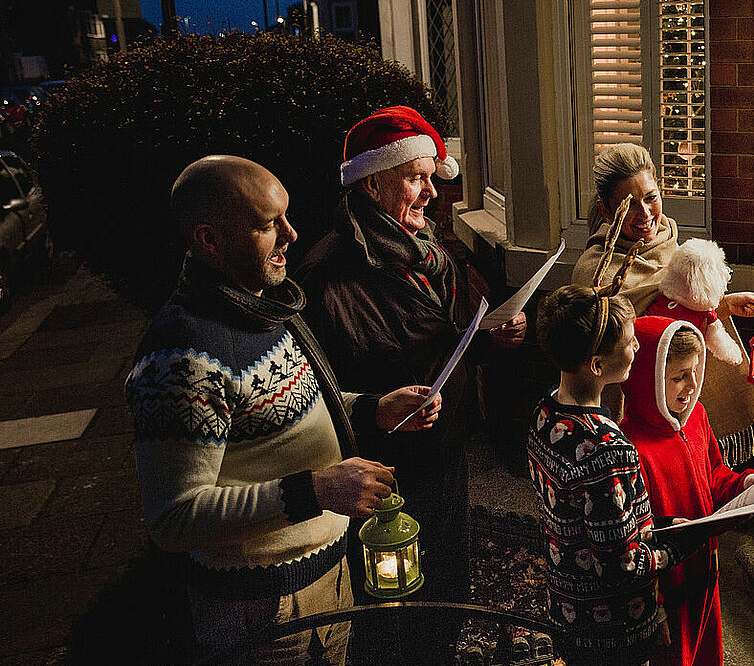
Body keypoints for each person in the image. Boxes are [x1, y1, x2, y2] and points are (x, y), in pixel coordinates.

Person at [125, 155, 441, 663]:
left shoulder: (261, 307)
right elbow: (174, 518)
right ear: (209, 240)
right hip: (261, 611)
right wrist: (316, 489)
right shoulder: (182, 357)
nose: (291, 234)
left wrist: (373, 409)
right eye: (268, 224)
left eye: (286, 217)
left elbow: (284, 409)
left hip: (327, 575)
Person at [296, 105, 526, 659]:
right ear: (372, 183)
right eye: (415, 179)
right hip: (386, 473)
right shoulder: (327, 276)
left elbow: (443, 340)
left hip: (444, 451)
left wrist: (490, 340)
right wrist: (377, 407)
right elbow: (312, 392)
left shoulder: (430, 254)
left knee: (446, 585)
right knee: (396, 610)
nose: (431, 193)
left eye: (431, 178)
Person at [570, 143, 754, 466]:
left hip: (681, 398)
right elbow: (640, 336)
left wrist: (724, 305)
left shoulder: (670, 245)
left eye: (650, 198)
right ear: (606, 211)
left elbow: (676, 314)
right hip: (633, 413)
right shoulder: (594, 272)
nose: (645, 214)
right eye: (629, 205)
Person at [529, 285, 702, 666]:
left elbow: (591, 520)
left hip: (565, 609)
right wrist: (681, 544)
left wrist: (660, 524)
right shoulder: (606, 448)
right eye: (628, 342)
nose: (637, 347)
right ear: (596, 365)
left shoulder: (544, 414)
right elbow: (622, 568)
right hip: (611, 630)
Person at [620, 317, 754, 666]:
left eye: (696, 371)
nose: (692, 384)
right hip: (668, 586)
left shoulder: (697, 416)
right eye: (678, 377)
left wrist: (745, 484)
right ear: (648, 378)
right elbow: (631, 539)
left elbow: (715, 476)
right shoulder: (631, 448)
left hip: (706, 570)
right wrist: (654, 609)